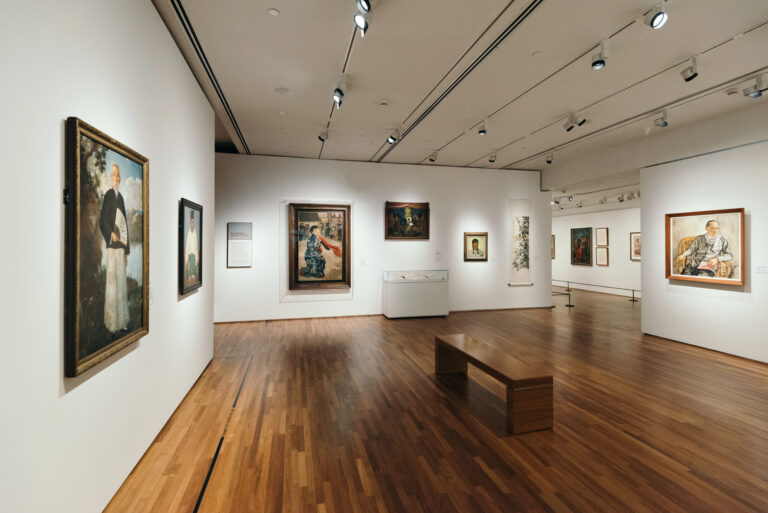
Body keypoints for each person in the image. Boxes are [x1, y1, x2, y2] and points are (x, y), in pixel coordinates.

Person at [99, 163, 130, 335]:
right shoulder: (108, 196)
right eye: (114, 175)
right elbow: (101, 220)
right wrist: (110, 233)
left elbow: (124, 225)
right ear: (110, 177)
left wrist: (126, 252)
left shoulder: (122, 198)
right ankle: (112, 323)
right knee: (112, 285)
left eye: (118, 175)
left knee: (121, 285)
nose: (116, 178)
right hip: (112, 247)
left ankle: (122, 321)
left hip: (120, 248)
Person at [185, 212, 199, 282]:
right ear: (190, 223)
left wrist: (195, 250)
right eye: (191, 223)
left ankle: (192, 273)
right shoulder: (188, 232)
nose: (192, 224)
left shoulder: (195, 232)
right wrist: (188, 250)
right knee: (189, 262)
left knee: (193, 262)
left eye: (193, 223)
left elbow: (195, 242)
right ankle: (189, 275)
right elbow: (188, 242)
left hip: (194, 250)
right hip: (189, 250)